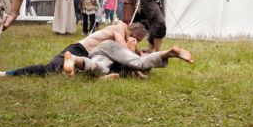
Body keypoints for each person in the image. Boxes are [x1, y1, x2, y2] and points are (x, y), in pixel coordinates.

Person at [0, 21, 148, 76]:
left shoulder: (121, 30)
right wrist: (131, 47)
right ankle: (7, 73)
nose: (136, 42)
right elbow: (123, 50)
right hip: (78, 50)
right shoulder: (119, 29)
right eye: (137, 39)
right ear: (133, 33)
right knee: (48, 70)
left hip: (87, 57)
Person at [63, 38, 194, 80]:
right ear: (142, 52)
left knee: (99, 68)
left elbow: (130, 71)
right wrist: (132, 47)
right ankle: (170, 53)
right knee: (139, 63)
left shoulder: (125, 65)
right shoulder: (131, 53)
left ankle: (74, 59)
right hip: (109, 47)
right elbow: (138, 64)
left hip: (98, 53)